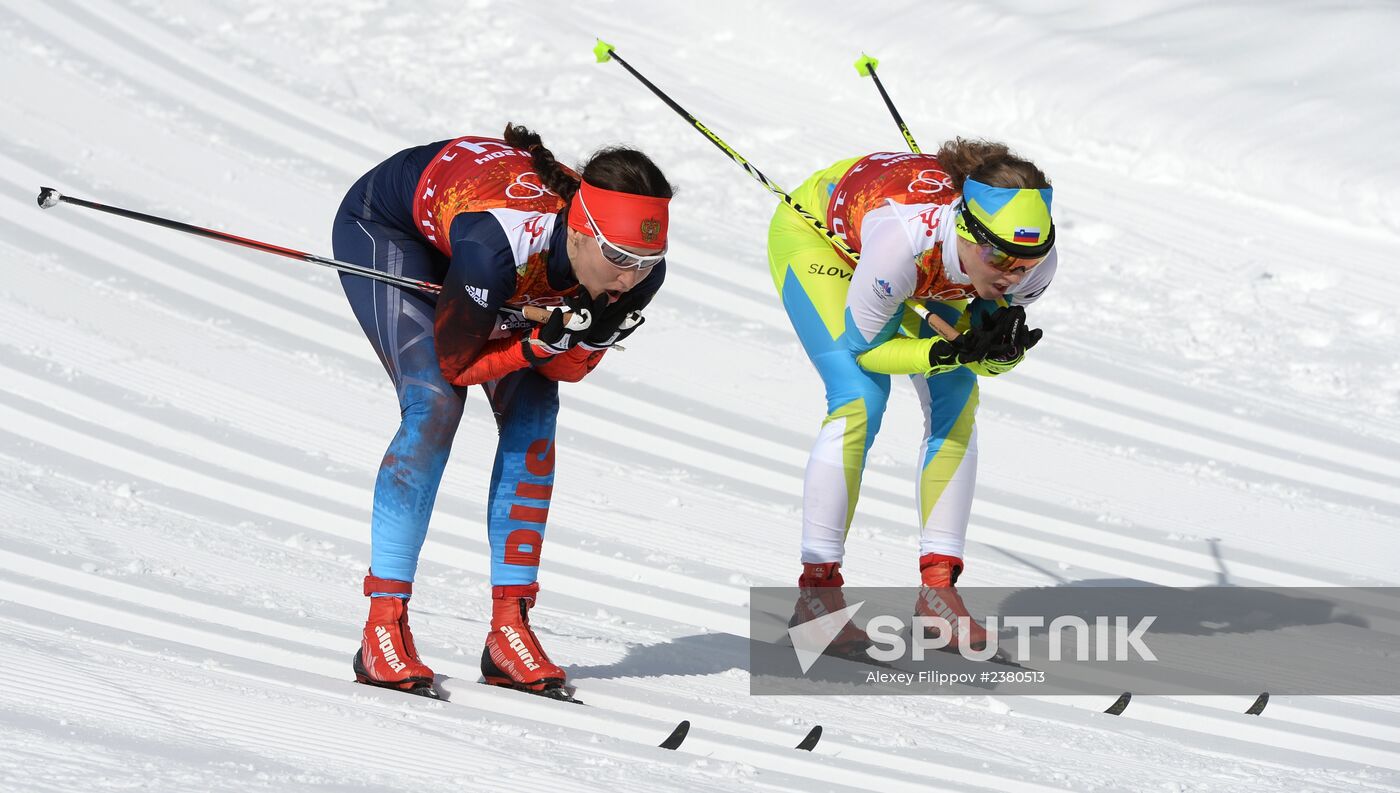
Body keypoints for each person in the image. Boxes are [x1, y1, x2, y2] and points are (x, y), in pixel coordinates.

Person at [331, 124, 674, 698]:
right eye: (618, 257)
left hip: (490, 266)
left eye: (646, 259)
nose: (629, 277)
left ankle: (508, 628)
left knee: (536, 410)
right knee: (435, 405)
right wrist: (538, 341)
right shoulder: (501, 248)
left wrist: (563, 343)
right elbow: (458, 364)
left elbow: (567, 370)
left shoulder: (639, 273)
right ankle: (381, 627)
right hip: (394, 229)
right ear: (584, 234)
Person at [766, 138, 1055, 653]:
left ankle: (938, 595)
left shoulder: (1032, 260)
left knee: (959, 394)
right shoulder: (905, 241)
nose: (1013, 273)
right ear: (966, 230)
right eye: (1000, 257)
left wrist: (998, 351)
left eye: (1026, 263)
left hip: (920, 272)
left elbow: (987, 354)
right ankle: (816, 596)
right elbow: (866, 350)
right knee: (859, 397)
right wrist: (946, 353)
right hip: (824, 242)